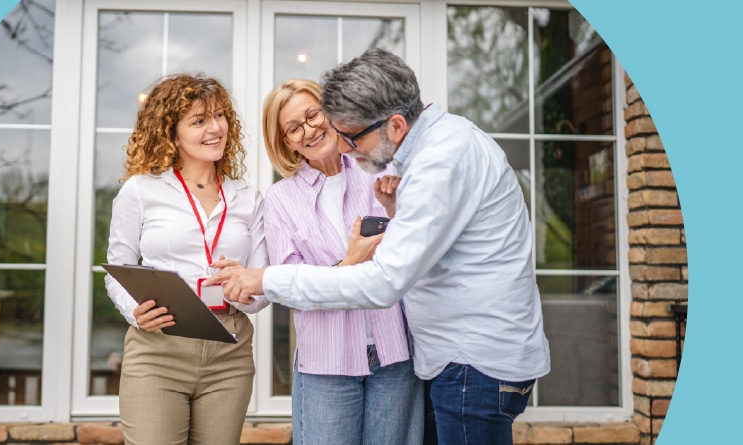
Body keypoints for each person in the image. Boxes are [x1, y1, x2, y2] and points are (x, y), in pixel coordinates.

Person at [211, 48, 551, 445]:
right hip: (435, 361)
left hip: (465, 363)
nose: (346, 146)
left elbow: (384, 281)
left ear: (394, 124)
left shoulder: (429, 164)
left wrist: (264, 277)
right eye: (293, 127)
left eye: (350, 135)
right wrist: (357, 252)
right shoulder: (437, 147)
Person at [104, 73, 269, 445]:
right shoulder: (141, 190)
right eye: (199, 121)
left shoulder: (248, 198)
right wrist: (135, 311)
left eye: (220, 116)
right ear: (171, 133)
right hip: (158, 347)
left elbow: (262, 287)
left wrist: (246, 287)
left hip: (230, 349)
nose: (215, 128)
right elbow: (117, 270)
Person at [261, 78, 423, 444]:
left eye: (313, 115)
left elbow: (418, 253)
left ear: (330, 112)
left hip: (393, 352)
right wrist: (348, 263)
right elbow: (287, 288)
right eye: (293, 128)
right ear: (286, 142)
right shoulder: (279, 200)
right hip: (326, 362)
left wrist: (395, 213)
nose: (310, 130)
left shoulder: (379, 169)